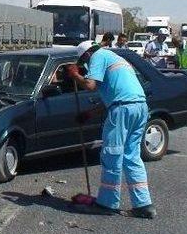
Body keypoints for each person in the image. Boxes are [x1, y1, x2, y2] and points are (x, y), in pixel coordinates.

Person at [67, 41, 156, 219]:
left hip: (122, 109)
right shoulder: (115, 57)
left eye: (84, 62)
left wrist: (75, 74)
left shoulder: (97, 57)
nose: (86, 66)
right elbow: (116, 95)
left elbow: (91, 85)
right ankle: (144, 205)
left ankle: (107, 203)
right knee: (131, 156)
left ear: (86, 55)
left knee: (112, 154)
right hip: (139, 107)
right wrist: (90, 113)